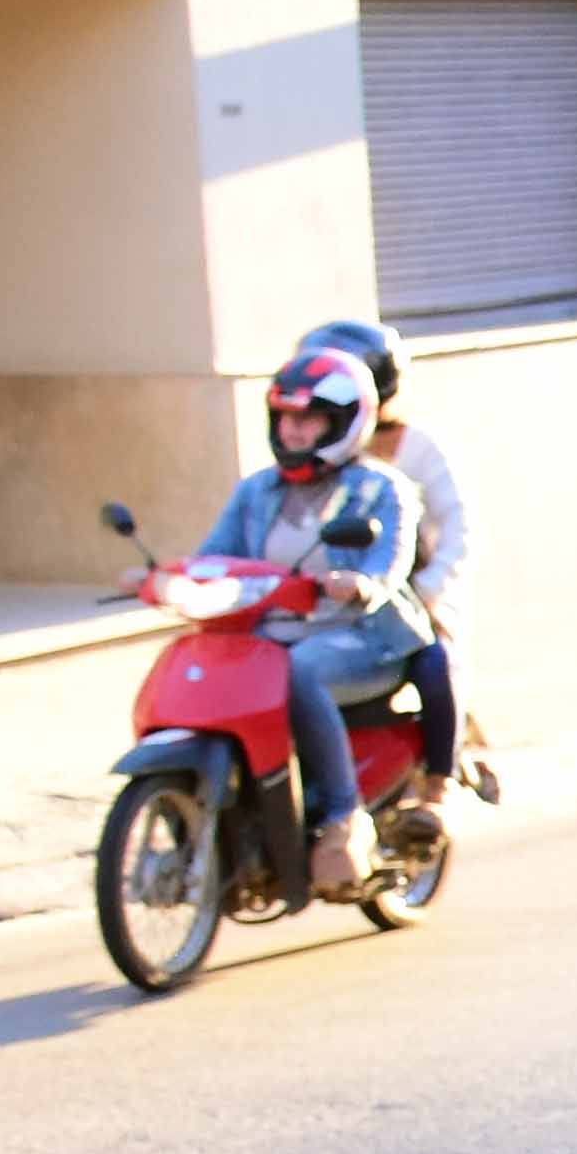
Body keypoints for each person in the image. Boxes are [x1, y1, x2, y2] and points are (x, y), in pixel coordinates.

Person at [194, 339, 431, 901]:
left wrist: (362, 583)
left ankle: (342, 815)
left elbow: (390, 560)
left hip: (359, 635)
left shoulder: (382, 488)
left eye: (311, 420)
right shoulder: (256, 490)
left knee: (296, 672)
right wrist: (169, 577)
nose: (296, 432)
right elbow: (218, 552)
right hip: (271, 634)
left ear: (346, 423)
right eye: (287, 419)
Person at [296, 317, 473, 803]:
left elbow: (458, 526)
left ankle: (440, 783)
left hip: (409, 593)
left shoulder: (414, 452)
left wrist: (432, 591)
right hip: (328, 601)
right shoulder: (310, 451)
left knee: (437, 662)